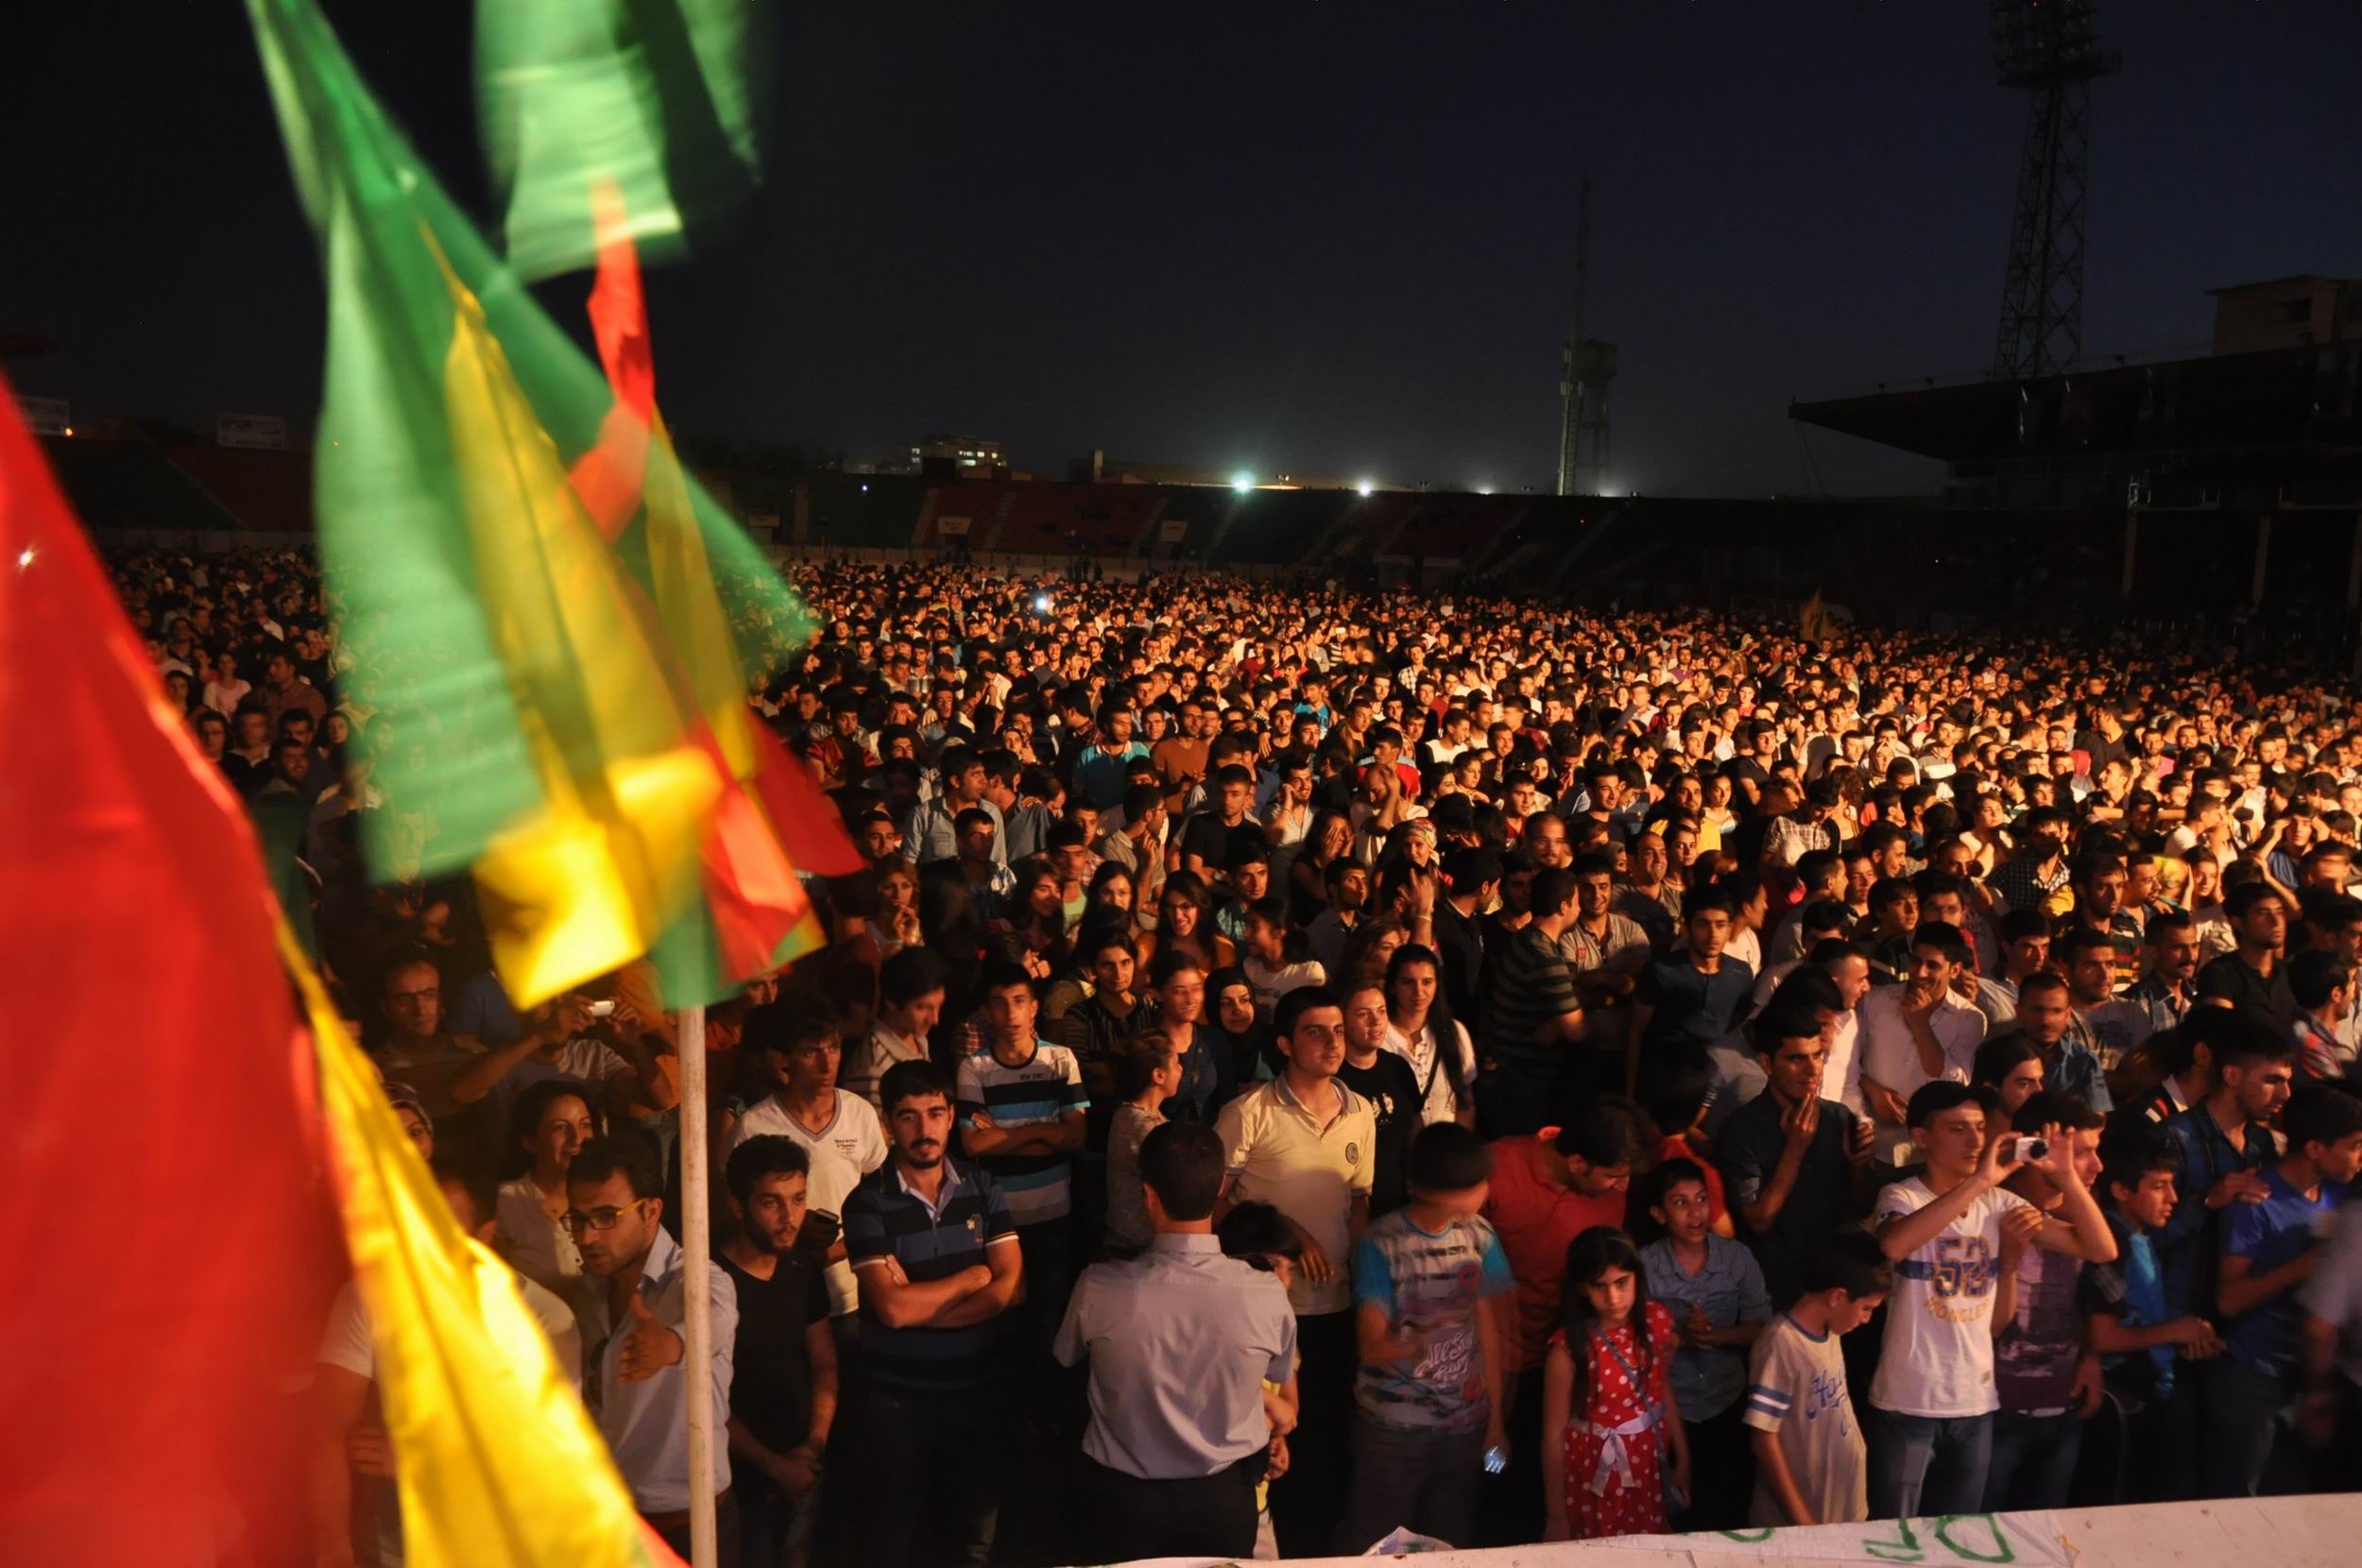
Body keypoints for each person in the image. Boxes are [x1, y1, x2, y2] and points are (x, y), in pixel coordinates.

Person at [1865, 1082, 2114, 1520]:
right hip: (1908, 1401)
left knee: (1961, 1536)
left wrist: (2067, 1178)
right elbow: (1893, 1245)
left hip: (1976, 1403)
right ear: (1921, 1137)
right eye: (1958, 1129)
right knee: (1894, 1537)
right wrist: (1980, 1180)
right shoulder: (1903, 1195)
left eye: (1981, 1128)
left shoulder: (1999, 1203)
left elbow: (2100, 1249)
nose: (1974, 1141)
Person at [1056, 1122, 1298, 1562]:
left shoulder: (1099, 1287)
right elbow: (1276, 1376)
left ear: (1149, 1196)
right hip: (1224, 1498)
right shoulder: (1266, 1292)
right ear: (1218, 1189)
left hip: (1125, 1501)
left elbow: (1066, 1358)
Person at [834, 1060, 1024, 1568]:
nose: (924, 1129)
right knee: (893, 1537)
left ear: (951, 1115)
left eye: (935, 1114)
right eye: (909, 1116)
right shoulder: (865, 1202)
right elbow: (892, 1309)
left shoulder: (983, 1186)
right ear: (888, 1123)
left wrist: (921, 1306)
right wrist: (968, 1279)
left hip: (977, 1390)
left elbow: (1010, 1289)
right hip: (897, 1402)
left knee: (973, 1539)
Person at [1214, 985, 1377, 1555]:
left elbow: (1359, 1205)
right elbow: (1210, 1205)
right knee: (1267, 1437)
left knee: (1324, 1434)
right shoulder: (1248, 1114)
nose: (1333, 1042)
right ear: (1284, 1044)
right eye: (1315, 1032)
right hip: (1264, 1311)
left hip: (1333, 1305)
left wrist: (1364, 1288)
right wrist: (1288, 1233)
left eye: (1338, 1030)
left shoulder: (1360, 1112)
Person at [1334, 1124, 1515, 1551]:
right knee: (1377, 1541)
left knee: (1449, 1540)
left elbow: (1493, 1330)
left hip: (1464, 1427)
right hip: (1392, 1432)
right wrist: (1423, 1337)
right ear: (1447, 1192)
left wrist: (1495, 1424)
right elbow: (1371, 1347)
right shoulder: (1382, 1243)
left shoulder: (1480, 1237)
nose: (1486, 1191)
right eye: (1478, 1184)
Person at [565, 1131, 740, 1561]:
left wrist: (673, 1345)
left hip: (690, 1527)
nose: (588, 1237)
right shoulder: (584, 1292)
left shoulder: (696, 1279)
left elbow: (715, 1319)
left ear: (651, 1211)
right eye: (578, 1219)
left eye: (606, 1217)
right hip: (612, 1522)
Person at [1480, 1099, 1642, 1544]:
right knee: (1491, 1474)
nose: (1621, 1185)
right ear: (1576, 1163)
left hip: (1559, 1368)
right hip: (1488, 1366)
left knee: (1542, 1480)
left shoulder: (1611, 1193)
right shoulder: (1499, 1167)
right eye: (1612, 1175)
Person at [2213, 1083, 2362, 1495]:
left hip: (2311, 1374)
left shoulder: (2340, 1196)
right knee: (2241, 1497)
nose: (2360, 1157)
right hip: (2255, 1375)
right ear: (2315, 1149)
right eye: (2354, 1146)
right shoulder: (2257, 1201)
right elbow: (2229, 1300)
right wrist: (2311, 1264)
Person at [2084, 1125, 2226, 1502]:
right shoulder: (2113, 1244)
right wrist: (2174, 1331)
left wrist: (2185, 1336)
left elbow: (2139, 1319)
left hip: (2150, 1395)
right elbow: (2102, 1336)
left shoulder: (2138, 1238)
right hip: (2123, 1400)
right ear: (2121, 1190)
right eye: (2159, 1186)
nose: (2173, 1198)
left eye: (2172, 1185)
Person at [1983, 1092, 2108, 1512]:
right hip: (1996, 1408)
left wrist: (2091, 1355)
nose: (2097, 1166)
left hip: (2061, 1402)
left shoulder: (2080, 1208)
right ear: (2039, 1150)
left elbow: (2100, 1259)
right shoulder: (1995, 1206)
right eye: (2083, 1153)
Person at [719, 1137, 839, 1568]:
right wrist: (774, 1466)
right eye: (772, 1203)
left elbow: (824, 1362)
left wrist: (812, 1446)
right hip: (735, 1482)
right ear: (738, 1206)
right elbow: (704, 1399)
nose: (790, 1218)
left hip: (803, 1468)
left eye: (798, 1199)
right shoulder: (710, 1283)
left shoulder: (801, 1268)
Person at [735, 996, 889, 1324]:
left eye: (833, 1048)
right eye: (810, 1052)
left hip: (853, 1290)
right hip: (783, 1294)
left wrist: (839, 1250)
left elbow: (886, 1198)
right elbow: (733, 1217)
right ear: (784, 1059)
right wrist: (791, 1228)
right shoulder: (754, 1126)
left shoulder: (859, 1113)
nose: (826, 1064)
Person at [1637, 1158, 1772, 1529]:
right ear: (1658, 1213)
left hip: (1728, 1398)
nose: (1695, 1212)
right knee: (1677, 1510)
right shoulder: (1644, 1266)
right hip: (1671, 1406)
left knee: (1730, 1505)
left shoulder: (1736, 1257)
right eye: (1680, 1203)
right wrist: (1680, 1335)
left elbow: (1762, 1326)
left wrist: (1714, 1336)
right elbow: (1635, 1341)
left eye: (1701, 1199)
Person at [1716, 1001, 1877, 1306]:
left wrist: (1859, 1166)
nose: (1813, 1070)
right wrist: (1795, 1148)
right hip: (1772, 1289)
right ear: (1767, 1064)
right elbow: (1759, 1220)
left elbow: (1863, 1206)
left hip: (1833, 1286)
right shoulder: (1741, 1130)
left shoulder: (1839, 1118)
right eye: (1796, 1059)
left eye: (1818, 1055)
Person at [1541, 1226, 1688, 1541]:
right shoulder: (1567, 1349)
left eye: (1622, 1282)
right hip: (1593, 1472)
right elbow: (1553, 1435)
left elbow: (1662, 1391)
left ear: (1637, 1277)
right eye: (1600, 1286)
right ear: (1581, 1288)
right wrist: (1556, 1516)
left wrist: (1683, 1457)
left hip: (1647, 1464)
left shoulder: (1657, 1323)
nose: (1613, 1298)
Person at [1742, 1229, 1891, 1527]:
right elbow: (1764, 1437)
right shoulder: (1782, 1343)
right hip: (1803, 1518)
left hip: (1839, 1505)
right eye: (1866, 1309)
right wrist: (1801, 1519)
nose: (1866, 1319)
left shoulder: (1831, 1331)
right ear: (1837, 1296)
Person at [1855, 921, 1987, 1169]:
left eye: (1933, 966)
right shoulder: (1875, 1000)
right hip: (1871, 1139)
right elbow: (1848, 1060)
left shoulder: (1970, 1018)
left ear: (1955, 970)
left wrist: (1921, 1024)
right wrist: (1872, 1089)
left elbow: (1954, 1082)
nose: (1921, 973)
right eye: (1916, 962)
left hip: (1927, 1152)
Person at [1479, 865, 1585, 1137]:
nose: (1580, 909)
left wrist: (1559, 1018)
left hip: (1512, 1073)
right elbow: (1577, 1031)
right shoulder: (1546, 958)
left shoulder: (1525, 938)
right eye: (1577, 902)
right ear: (1564, 907)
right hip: (1529, 1082)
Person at [1628, 887, 1754, 1102]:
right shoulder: (1660, 971)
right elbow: (1636, 1032)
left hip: (1716, 1092)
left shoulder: (1741, 974)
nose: (1713, 934)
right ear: (1687, 928)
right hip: (1663, 1091)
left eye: (1720, 925)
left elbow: (1738, 1034)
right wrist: (1630, 1096)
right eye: (1703, 924)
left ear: (1730, 928)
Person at [493, 1078, 599, 1295]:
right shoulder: (507, 1203)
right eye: (560, 1127)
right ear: (530, 1141)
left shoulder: (613, 1192)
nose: (576, 1138)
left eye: (584, 1125)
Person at [1337, 982, 1424, 1217]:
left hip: (1400, 1203)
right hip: (1350, 1208)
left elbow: (1415, 1126)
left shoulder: (1397, 1067)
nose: (1376, 1021)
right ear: (1342, 1019)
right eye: (1363, 1014)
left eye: (1381, 1011)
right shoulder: (1334, 1078)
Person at [841, 946, 946, 1112]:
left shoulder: (917, 1036)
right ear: (891, 1002)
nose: (935, 1020)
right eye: (922, 1008)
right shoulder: (874, 1069)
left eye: (938, 1006)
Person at [1103, 1040, 1179, 1255]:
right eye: (1176, 1063)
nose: (1181, 1069)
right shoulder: (1143, 1126)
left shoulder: (1130, 1115)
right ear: (1159, 1075)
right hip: (1137, 1245)